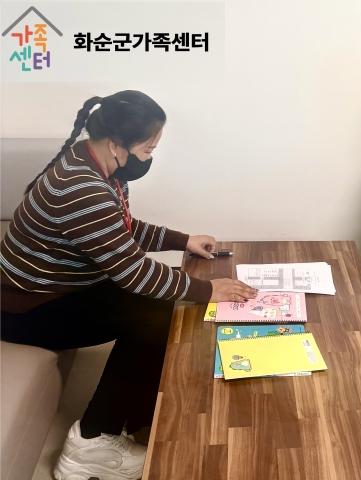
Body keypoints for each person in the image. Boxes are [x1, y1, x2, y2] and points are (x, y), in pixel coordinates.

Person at [0, 91, 258, 480]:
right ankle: (90, 445)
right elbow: (132, 271)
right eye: (148, 148)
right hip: (23, 311)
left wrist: (181, 240)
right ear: (116, 144)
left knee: (158, 305)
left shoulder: (96, 165)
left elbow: (120, 229)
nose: (150, 157)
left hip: (53, 290)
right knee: (152, 314)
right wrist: (210, 290)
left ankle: (135, 417)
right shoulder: (82, 188)